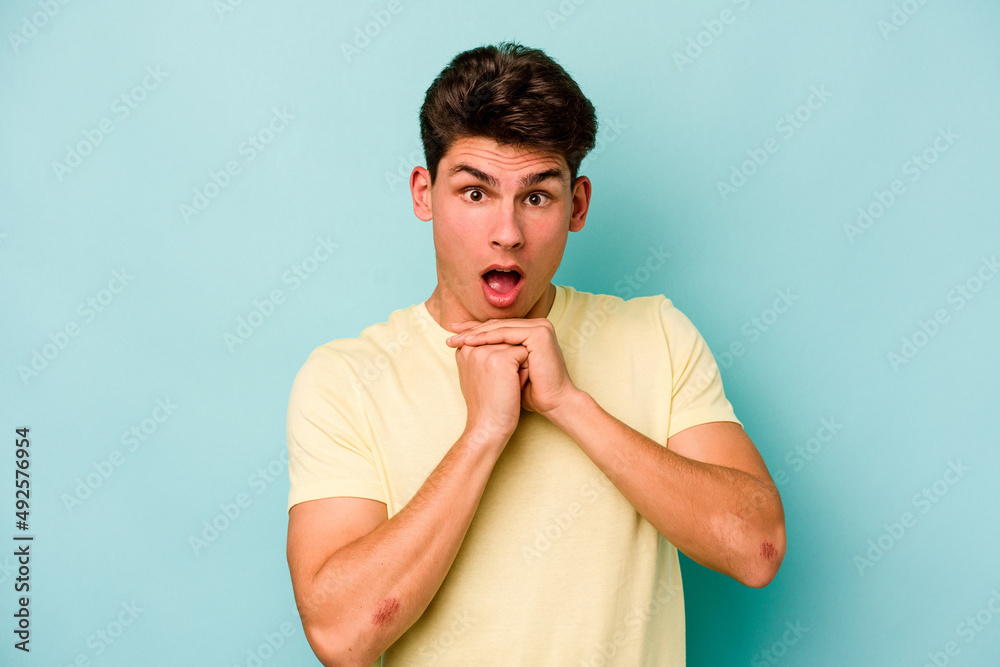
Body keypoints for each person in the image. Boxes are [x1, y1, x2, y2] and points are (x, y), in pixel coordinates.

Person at [285, 41, 786, 666]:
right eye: (475, 193)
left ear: (576, 205)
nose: (507, 232)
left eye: (537, 196)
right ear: (423, 193)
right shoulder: (346, 379)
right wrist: (483, 435)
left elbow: (756, 549)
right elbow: (341, 636)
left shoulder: (654, 335)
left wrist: (569, 405)